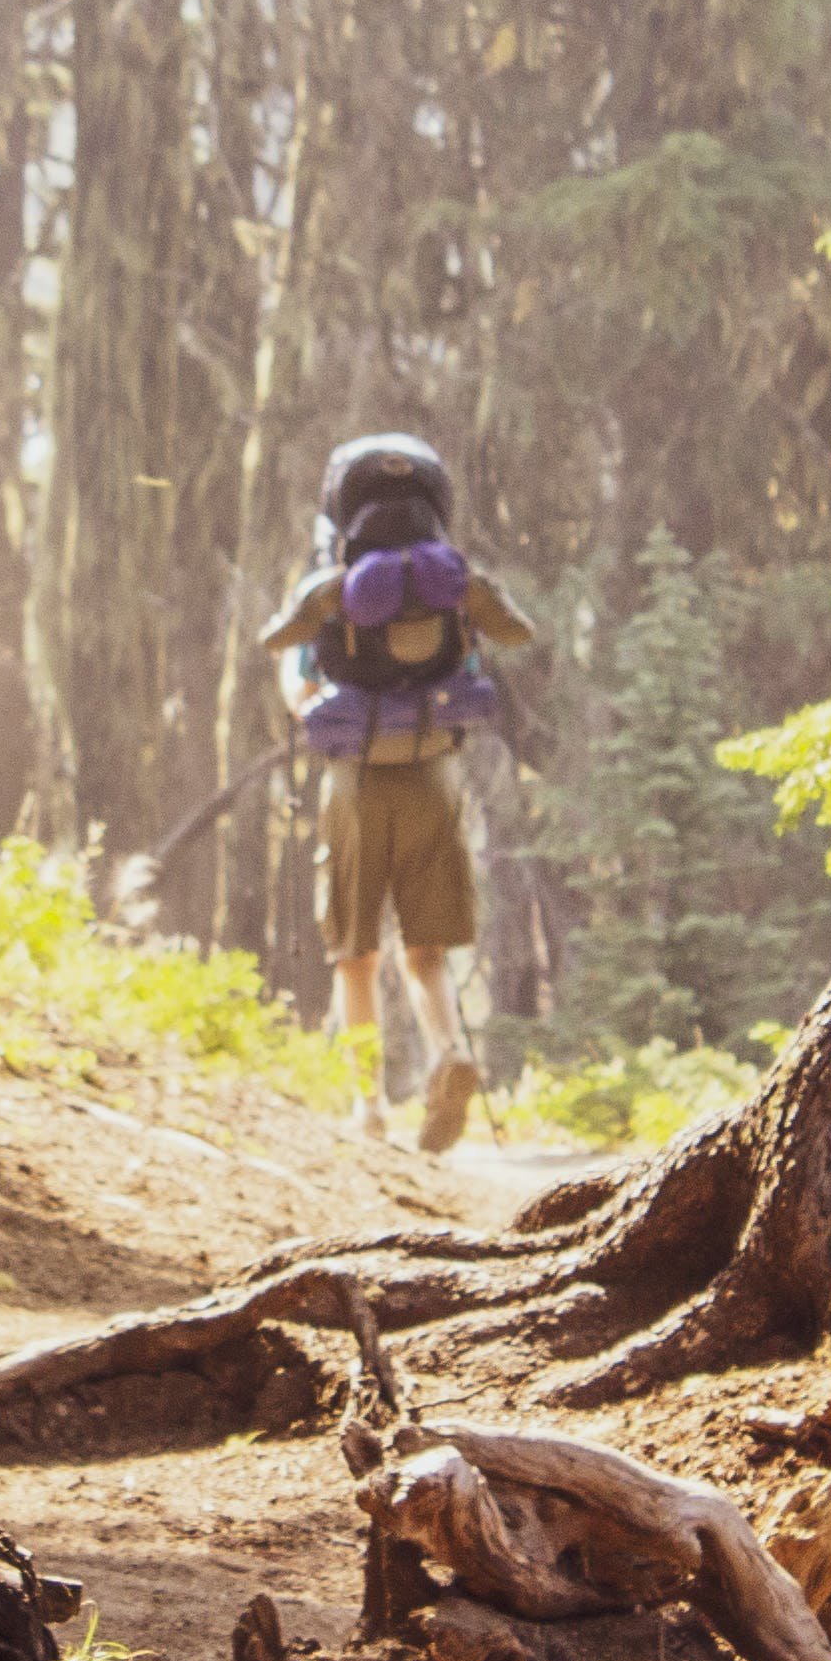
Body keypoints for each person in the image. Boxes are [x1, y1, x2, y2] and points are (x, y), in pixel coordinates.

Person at [262, 434, 534, 1152]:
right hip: (434, 773)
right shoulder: (449, 587)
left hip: (356, 781)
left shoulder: (333, 585)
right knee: (427, 948)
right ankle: (448, 1052)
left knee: (355, 955)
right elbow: (489, 655)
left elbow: (296, 684)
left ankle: (368, 1107)